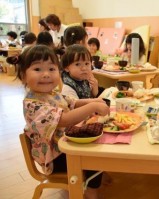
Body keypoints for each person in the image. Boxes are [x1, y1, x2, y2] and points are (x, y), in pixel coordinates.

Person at [15, 45, 109, 199]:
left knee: (100, 140)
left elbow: (72, 102)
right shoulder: (33, 104)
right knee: (95, 155)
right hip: (54, 156)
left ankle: (96, 178)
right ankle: (92, 190)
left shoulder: (52, 94)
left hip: (63, 145)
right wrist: (93, 106)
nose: (46, 74)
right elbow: (64, 120)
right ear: (23, 76)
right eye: (37, 69)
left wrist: (94, 99)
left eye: (51, 69)